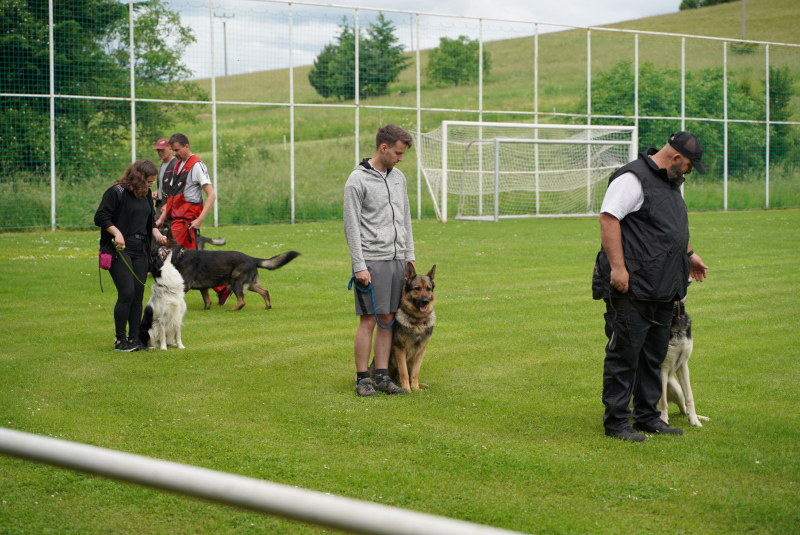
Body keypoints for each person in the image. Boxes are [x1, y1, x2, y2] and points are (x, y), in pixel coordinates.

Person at [592, 131, 710, 442]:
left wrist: (690, 254)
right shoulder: (633, 178)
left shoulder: (671, 185)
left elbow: (665, 230)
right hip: (632, 286)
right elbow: (608, 219)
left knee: (652, 356)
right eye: (687, 166)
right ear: (674, 159)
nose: (688, 173)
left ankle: (647, 416)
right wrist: (618, 268)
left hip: (663, 287)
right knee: (625, 355)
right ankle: (616, 423)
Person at [344, 124, 416, 396]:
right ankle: (363, 379)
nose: (400, 158)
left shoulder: (399, 178)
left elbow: (405, 217)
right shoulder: (357, 180)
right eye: (397, 152)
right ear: (383, 148)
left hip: (398, 260)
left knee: (388, 318)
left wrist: (408, 255)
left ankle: (383, 378)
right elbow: (351, 226)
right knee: (369, 321)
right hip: (371, 260)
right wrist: (359, 265)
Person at [95, 159, 168, 352]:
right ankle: (120, 341)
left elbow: (150, 221)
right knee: (127, 293)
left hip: (140, 249)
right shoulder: (116, 192)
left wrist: (158, 235)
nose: (151, 186)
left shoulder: (144, 196)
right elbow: (101, 216)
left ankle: (135, 339)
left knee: (137, 295)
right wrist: (117, 233)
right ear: (138, 178)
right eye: (149, 182)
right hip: (119, 248)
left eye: (153, 182)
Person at [155, 133, 231, 306]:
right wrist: (162, 218)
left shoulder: (197, 165)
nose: (174, 154)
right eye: (172, 150)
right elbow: (173, 197)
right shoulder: (177, 166)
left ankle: (168, 299)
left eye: (177, 150)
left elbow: (211, 196)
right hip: (176, 220)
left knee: (173, 259)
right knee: (195, 262)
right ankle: (222, 289)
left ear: (187, 146)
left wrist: (199, 220)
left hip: (187, 222)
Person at [153, 138, 176, 213]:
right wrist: (158, 191)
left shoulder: (176, 165)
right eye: (158, 150)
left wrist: (168, 204)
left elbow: (178, 188)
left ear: (170, 148)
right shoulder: (162, 164)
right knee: (155, 224)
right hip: (160, 205)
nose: (160, 153)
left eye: (162, 150)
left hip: (172, 206)